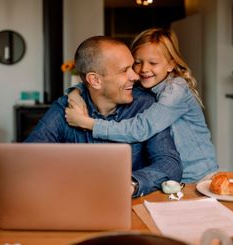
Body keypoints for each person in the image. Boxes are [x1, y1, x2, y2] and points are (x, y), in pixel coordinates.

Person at [25, 36, 182, 197]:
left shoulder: (145, 105)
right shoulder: (65, 108)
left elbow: (170, 164)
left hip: (130, 208)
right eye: (124, 71)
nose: (135, 76)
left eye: (131, 67)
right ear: (95, 80)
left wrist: (130, 184)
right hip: (74, 202)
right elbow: (27, 160)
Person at [65, 28, 218, 183]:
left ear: (171, 64)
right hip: (170, 179)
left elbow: (141, 129)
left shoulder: (176, 90)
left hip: (198, 178)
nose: (144, 69)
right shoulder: (144, 86)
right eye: (138, 62)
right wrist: (74, 93)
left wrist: (88, 123)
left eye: (153, 63)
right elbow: (99, 83)